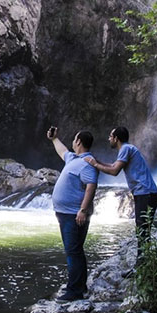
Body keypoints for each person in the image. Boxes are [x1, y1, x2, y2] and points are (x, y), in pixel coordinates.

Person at [84, 127, 157, 274]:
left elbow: (114, 171)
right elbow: (113, 165)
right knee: (143, 229)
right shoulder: (127, 149)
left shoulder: (125, 148)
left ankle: (142, 268)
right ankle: (146, 265)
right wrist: (96, 161)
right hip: (146, 193)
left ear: (116, 138)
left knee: (143, 230)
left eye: (110, 136)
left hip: (145, 193)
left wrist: (95, 165)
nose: (108, 139)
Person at [47, 126, 99, 302]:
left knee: (73, 251)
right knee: (75, 250)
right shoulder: (74, 159)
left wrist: (83, 210)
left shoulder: (88, 163)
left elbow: (91, 186)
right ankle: (80, 285)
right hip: (65, 213)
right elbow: (63, 151)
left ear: (78, 142)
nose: (72, 142)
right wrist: (54, 139)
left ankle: (74, 291)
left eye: (74, 139)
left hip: (74, 214)